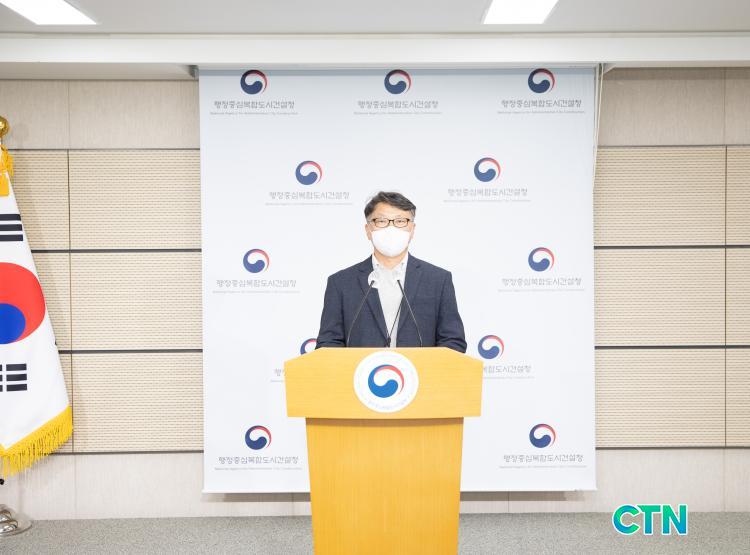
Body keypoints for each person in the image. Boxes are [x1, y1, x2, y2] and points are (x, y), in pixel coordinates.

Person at [315, 191, 466, 352]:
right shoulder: (341, 283)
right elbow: (328, 345)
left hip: (419, 369)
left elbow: (453, 342)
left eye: (400, 221)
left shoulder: (438, 280)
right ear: (368, 230)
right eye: (382, 221)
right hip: (360, 369)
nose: (391, 228)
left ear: (412, 229)